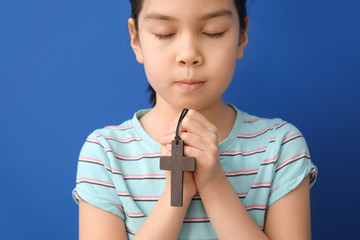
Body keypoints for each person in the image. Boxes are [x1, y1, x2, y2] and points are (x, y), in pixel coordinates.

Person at [72, 0, 318, 239]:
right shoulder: (105, 154)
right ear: (136, 39)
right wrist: (175, 197)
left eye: (213, 32)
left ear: (242, 35)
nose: (189, 55)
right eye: (165, 33)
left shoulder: (280, 146)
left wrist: (214, 186)